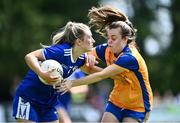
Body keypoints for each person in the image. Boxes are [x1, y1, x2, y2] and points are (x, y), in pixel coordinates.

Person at [57, 6, 153, 123]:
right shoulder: (107, 49)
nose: (109, 42)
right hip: (116, 102)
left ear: (125, 39)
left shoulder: (130, 58)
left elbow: (101, 75)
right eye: (108, 37)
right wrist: (89, 55)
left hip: (138, 106)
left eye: (113, 38)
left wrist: (72, 83)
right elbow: (86, 53)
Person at [12, 21, 96, 123]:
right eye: (90, 37)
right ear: (79, 41)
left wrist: (117, 71)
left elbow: (99, 72)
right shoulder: (60, 51)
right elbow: (30, 56)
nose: (93, 40)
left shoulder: (80, 59)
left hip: (48, 103)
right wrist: (42, 73)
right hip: (28, 98)